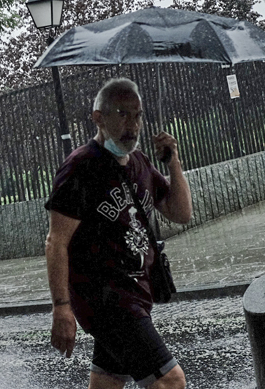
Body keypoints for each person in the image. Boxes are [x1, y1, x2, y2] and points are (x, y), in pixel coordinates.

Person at [45, 78, 193, 389]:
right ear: (98, 118)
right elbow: (56, 241)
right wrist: (61, 307)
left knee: (107, 383)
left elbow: (180, 213)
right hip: (106, 301)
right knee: (170, 381)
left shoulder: (139, 162)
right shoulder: (79, 168)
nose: (133, 124)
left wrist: (174, 162)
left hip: (136, 292)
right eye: (122, 113)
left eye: (137, 115)